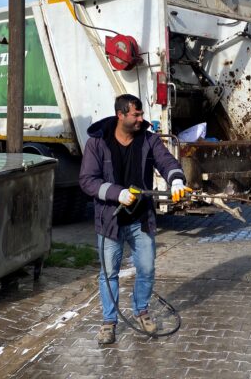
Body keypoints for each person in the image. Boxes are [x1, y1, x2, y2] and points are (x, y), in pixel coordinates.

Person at [79, 94, 191, 344]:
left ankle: (141, 311)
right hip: (110, 220)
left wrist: (176, 179)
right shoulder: (97, 143)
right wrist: (117, 193)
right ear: (121, 115)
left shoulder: (148, 139)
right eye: (136, 115)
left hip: (141, 220)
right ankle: (109, 322)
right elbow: (87, 181)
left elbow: (167, 161)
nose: (142, 119)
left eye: (141, 114)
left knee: (147, 268)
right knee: (109, 274)